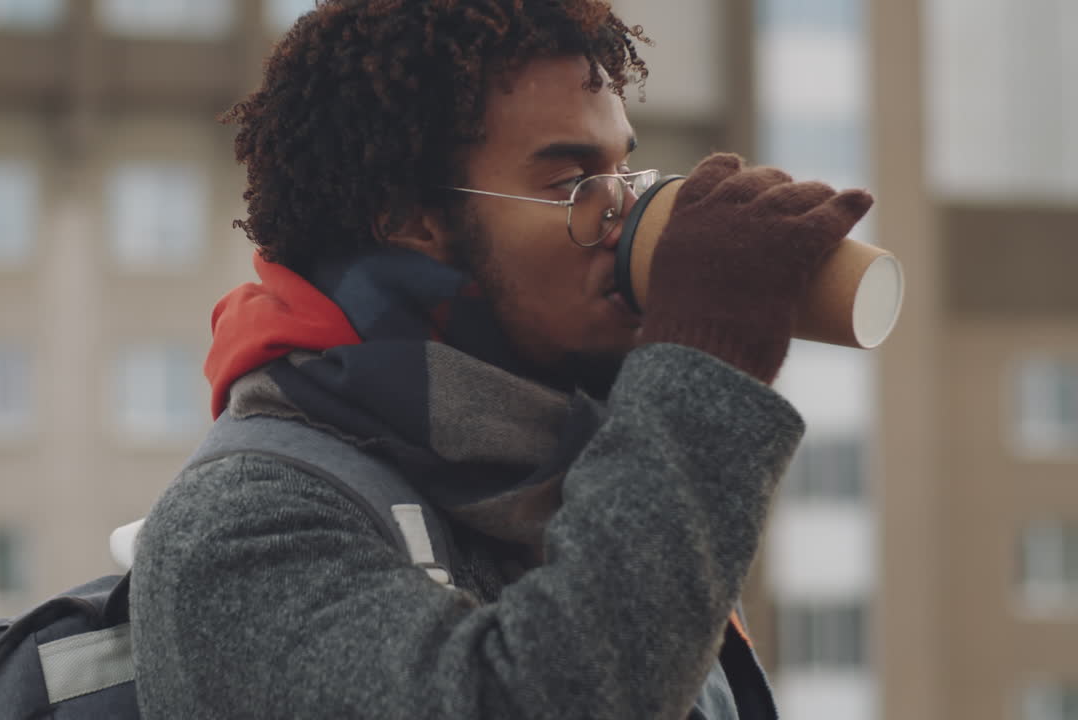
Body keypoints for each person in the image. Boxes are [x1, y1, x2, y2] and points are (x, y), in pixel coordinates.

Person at [129, 1, 873, 718]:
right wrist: (705, 356)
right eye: (574, 183)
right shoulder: (239, 526)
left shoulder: (602, 469)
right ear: (410, 219)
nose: (623, 218)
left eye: (624, 174)